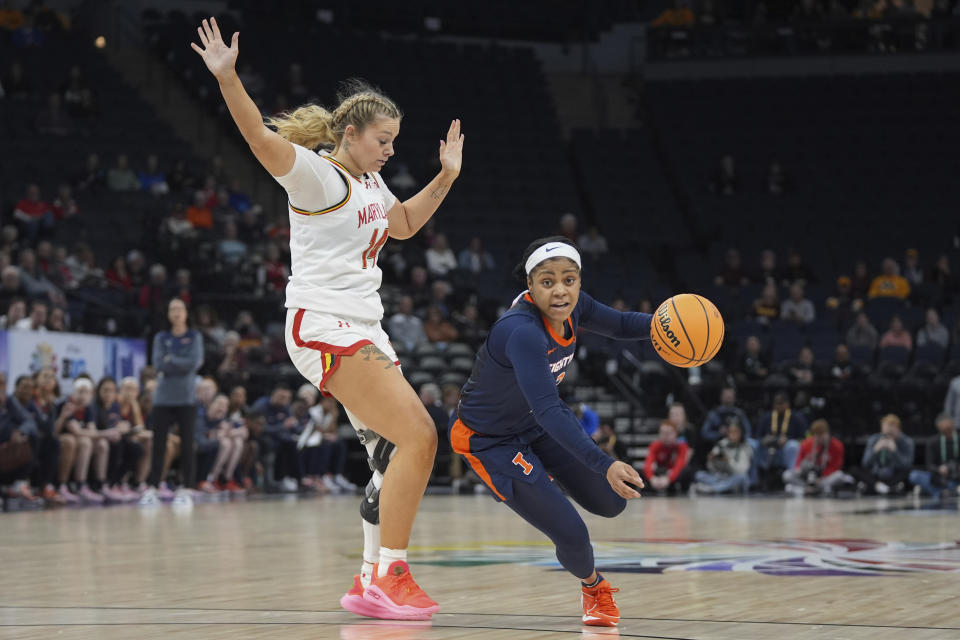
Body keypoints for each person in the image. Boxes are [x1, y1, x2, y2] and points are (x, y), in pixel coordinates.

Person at [193, 15, 463, 620]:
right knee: (421, 434)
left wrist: (445, 177)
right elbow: (260, 141)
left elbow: (404, 225)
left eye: (394, 141)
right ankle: (391, 574)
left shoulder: (371, 183)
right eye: (383, 139)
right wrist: (227, 79)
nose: (390, 150)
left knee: (394, 455)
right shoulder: (320, 177)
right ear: (349, 131)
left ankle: (368, 580)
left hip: (364, 327)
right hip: (323, 325)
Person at [449, 236, 649, 627]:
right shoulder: (521, 331)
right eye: (547, 281)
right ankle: (594, 589)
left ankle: (542, 476)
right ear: (530, 285)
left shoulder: (576, 307)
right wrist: (603, 461)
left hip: (530, 423)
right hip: (489, 440)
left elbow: (624, 324)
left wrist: (667, 326)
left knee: (611, 502)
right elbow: (549, 409)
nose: (560, 290)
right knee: (573, 534)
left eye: (569, 280)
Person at [139, 298, 203, 506]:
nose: (176, 312)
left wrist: (172, 360)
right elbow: (158, 364)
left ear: (186, 313)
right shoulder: (161, 337)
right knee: (159, 444)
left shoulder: (194, 336)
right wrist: (178, 362)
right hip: (163, 398)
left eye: (179, 308)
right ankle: (153, 486)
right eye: (172, 309)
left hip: (186, 397)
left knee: (187, 445)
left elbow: (194, 363)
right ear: (168, 314)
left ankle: (187, 487)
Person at [783, 420, 850, 496]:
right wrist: (804, 469)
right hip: (807, 477)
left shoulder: (837, 445)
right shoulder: (806, 444)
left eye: (822, 434)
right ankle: (808, 489)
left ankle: (807, 490)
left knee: (839, 475)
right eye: (817, 435)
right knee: (787, 475)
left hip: (823, 478)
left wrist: (822, 476)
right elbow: (798, 463)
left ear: (827, 433)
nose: (820, 438)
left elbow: (837, 466)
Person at [851, 414, 914, 495]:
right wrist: (875, 450)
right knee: (854, 470)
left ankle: (877, 487)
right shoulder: (874, 439)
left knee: (910, 472)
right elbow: (865, 463)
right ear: (882, 428)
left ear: (899, 429)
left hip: (894, 475)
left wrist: (895, 451)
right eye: (887, 428)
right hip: (876, 475)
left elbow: (907, 465)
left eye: (892, 428)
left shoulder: (907, 442)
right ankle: (883, 487)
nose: (889, 432)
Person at [755, 392, 806, 487]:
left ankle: (793, 476)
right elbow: (758, 436)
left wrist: (788, 439)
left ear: (787, 404)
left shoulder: (796, 417)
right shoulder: (767, 417)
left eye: (781, 403)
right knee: (753, 445)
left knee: (793, 445)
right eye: (776, 403)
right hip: (768, 448)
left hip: (786, 449)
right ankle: (755, 480)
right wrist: (764, 439)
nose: (779, 406)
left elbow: (803, 437)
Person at [693, 421, 752, 495]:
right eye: (730, 432)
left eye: (735, 432)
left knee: (742, 478)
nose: (733, 435)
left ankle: (712, 489)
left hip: (734, 478)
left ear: (741, 433)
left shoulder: (745, 447)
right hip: (721, 477)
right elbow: (711, 468)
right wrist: (711, 461)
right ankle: (721, 488)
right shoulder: (721, 444)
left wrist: (729, 461)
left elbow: (742, 470)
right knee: (699, 475)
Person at [909, 414, 959, 500]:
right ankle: (942, 492)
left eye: (949, 429)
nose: (947, 432)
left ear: (953, 425)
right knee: (914, 475)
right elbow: (929, 465)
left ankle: (937, 492)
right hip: (938, 477)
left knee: (952, 484)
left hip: (956, 477)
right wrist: (939, 469)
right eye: (944, 430)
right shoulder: (933, 442)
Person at [643, 421, 691, 494]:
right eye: (662, 433)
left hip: (673, 475)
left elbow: (680, 464)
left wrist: (669, 479)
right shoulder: (655, 445)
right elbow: (648, 463)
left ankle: (683, 492)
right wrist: (651, 478)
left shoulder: (681, 446)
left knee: (687, 470)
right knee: (640, 472)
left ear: (675, 434)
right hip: (659, 474)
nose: (665, 436)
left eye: (668, 433)